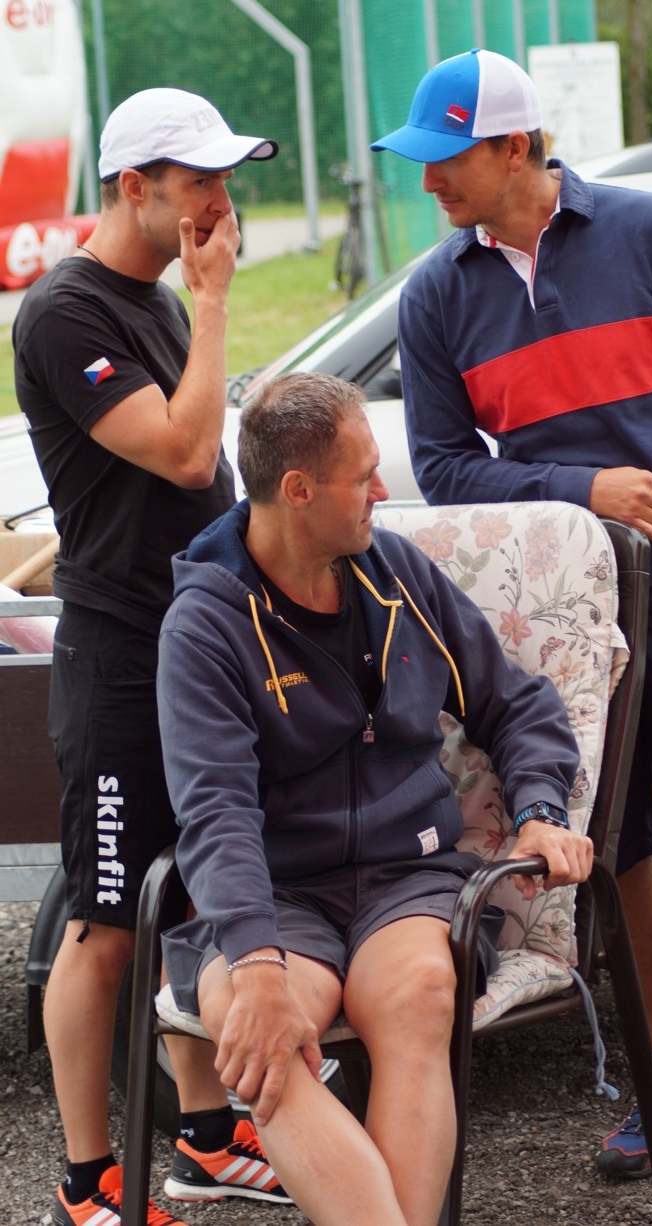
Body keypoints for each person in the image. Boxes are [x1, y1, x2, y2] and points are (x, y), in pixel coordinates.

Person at [370, 48, 652, 1195]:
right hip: (558, 607)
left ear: (515, 147)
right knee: (612, 851)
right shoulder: (435, 294)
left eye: (446, 157)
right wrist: (584, 489)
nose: (429, 181)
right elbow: (442, 467)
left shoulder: (651, 233)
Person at [154, 370, 593, 1226]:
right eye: (364, 477)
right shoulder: (205, 625)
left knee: (422, 995)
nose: (383, 494)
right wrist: (254, 964)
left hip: (409, 875)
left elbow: (515, 703)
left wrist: (540, 809)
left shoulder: (395, 575)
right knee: (261, 1030)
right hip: (277, 894)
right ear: (298, 490)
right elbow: (214, 810)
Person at [12, 88, 286, 1225]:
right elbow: (181, 451)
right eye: (199, 180)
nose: (221, 200)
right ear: (134, 187)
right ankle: (87, 1181)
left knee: (201, 902)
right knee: (107, 922)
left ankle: (207, 1138)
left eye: (227, 177)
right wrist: (215, 302)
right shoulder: (63, 312)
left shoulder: (161, 301)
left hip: (195, 642)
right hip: (119, 653)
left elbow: (212, 471)